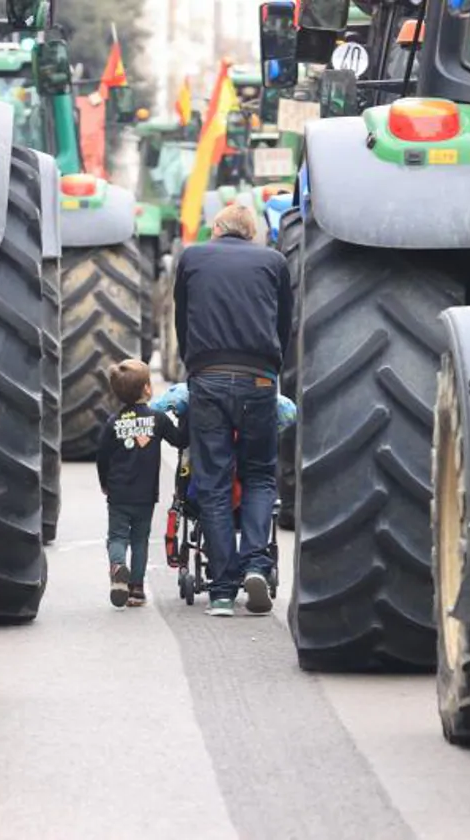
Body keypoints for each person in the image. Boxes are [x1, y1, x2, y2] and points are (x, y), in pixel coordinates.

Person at [173, 203, 293, 617]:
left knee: (214, 482)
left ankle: (222, 591)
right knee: (259, 475)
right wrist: (270, 370)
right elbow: (283, 327)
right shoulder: (274, 262)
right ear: (250, 232)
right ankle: (257, 565)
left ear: (218, 228)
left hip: (207, 377)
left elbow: (181, 323)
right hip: (259, 378)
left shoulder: (192, 257)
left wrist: (195, 366)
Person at [96, 359, 186, 608]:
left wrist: (105, 483)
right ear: (147, 389)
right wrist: (186, 417)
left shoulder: (113, 423)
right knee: (139, 540)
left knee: (116, 537)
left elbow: (102, 457)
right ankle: (136, 590)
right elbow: (180, 440)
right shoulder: (158, 419)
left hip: (119, 493)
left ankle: (117, 567)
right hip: (145, 495)